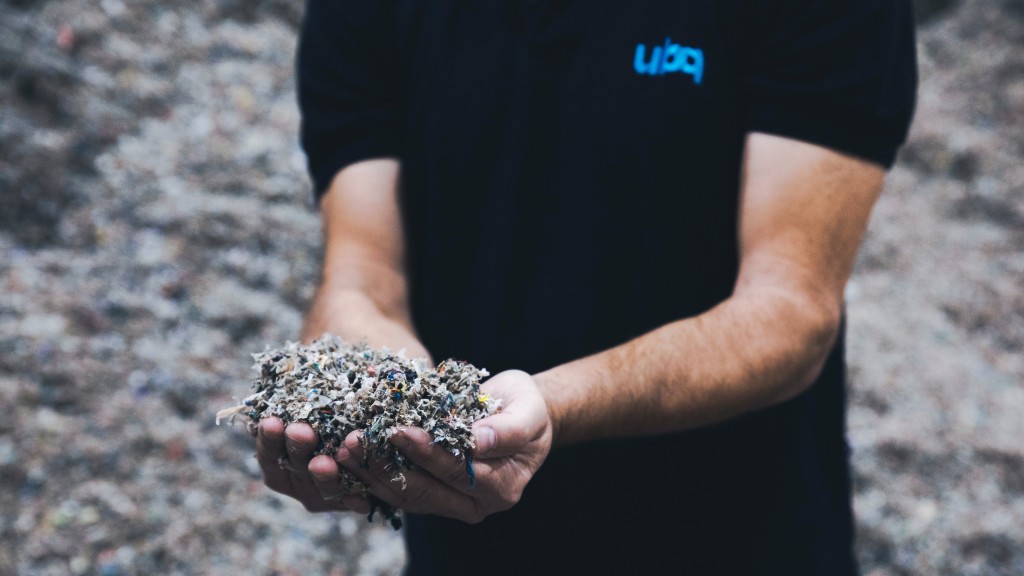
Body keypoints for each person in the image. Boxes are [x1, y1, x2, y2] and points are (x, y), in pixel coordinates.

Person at [254, 1, 917, 574]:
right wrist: (371, 390)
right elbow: (361, 277)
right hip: (468, 537)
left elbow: (790, 310)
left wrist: (554, 403)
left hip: (737, 535)